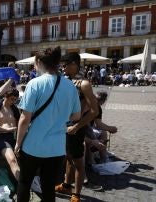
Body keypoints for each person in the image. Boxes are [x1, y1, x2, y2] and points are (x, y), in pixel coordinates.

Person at [15, 47, 81, 202]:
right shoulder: (70, 85)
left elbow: (24, 119)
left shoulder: (34, 84)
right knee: (49, 186)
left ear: (38, 62)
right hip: (57, 147)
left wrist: (18, 143)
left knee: (25, 182)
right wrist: (61, 115)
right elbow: (76, 115)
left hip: (32, 145)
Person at [55, 52, 99, 202]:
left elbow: (94, 111)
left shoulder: (84, 84)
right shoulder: (65, 80)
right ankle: (67, 185)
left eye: (65, 65)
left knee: (78, 162)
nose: (63, 67)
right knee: (68, 157)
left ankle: (77, 194)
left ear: (74, 64)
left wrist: (77, 126)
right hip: (63, 126)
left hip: (75, 127)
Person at [0, 89, 20, 180]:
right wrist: (6, 129)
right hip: (1, 138)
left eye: (15, 100)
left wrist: (19, 142)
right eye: (12, 99)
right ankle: (23, 188)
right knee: (12, 160)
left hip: (14, 138)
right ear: (6, 97)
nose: (13, 102)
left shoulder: (15, 109)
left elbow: (21, 125)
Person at [85, 91, 117, 164]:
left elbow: (98, 124)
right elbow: (95, 125)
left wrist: (109, 128)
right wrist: (110, 128)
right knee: (92, 136)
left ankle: (103, 157)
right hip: (82, 128)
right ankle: (91, 161)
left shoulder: (97, 107)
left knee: (103, 133)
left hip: (87, 127)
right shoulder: (87, 105)